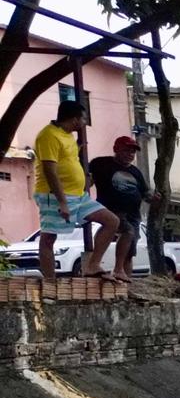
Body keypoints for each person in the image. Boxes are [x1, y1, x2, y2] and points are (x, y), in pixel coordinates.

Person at [33, 100, 119, 282]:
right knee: (48, 238)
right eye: (83, 118)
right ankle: (50, 281)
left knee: (111, 221)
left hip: (78, 195)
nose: (85, 122)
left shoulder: (68, 136)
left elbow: (66, 159)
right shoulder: (48, 136)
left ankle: (93, 265)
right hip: (54, 195)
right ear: (74, 119)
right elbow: (50, 169)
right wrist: (62, 201)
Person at [88, 135, 157, 283]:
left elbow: (145, 193)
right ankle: (116, 269)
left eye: (133, 152)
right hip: (112, 209)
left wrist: (153, 197)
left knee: (130, 251)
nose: (130, 154)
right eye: (126, 150)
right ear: (116, 149)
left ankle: (124, 281)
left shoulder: (136, 172)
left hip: (133, 214)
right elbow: (87, 180)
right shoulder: (101, 164)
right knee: (127, 231)